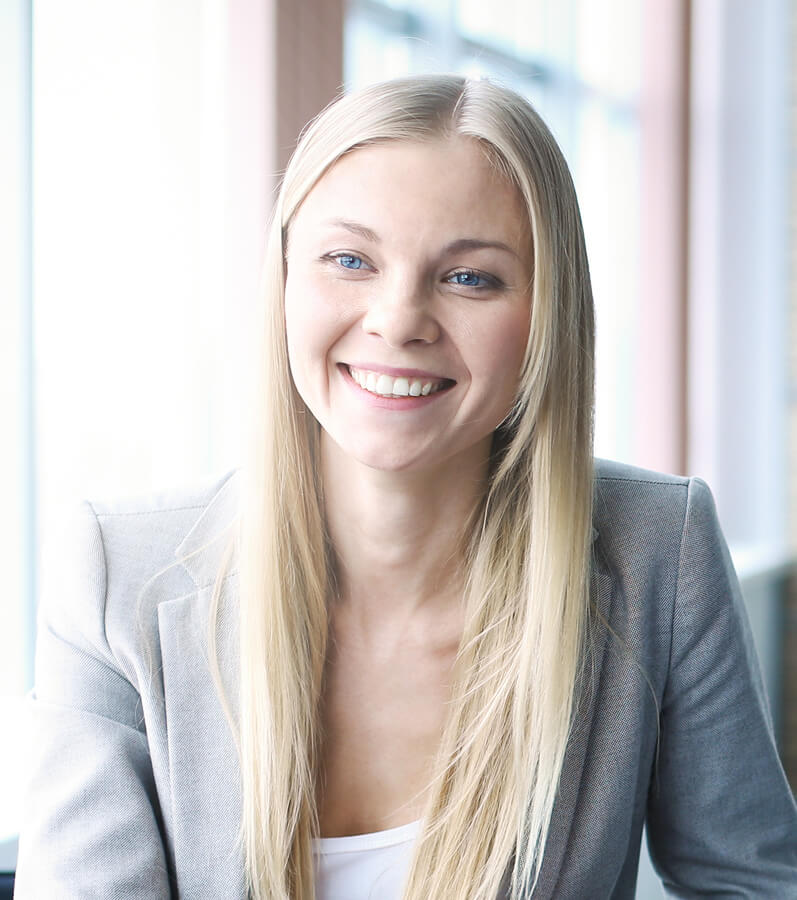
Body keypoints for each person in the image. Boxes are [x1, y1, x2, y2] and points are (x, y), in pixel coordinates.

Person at [15, 74, 797, 900]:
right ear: (283, 281)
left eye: (469, 278)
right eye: (349, 260)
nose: (397, 320)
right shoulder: (117, 572)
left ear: (547, 313)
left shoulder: (658, 551)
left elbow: (750, 882)